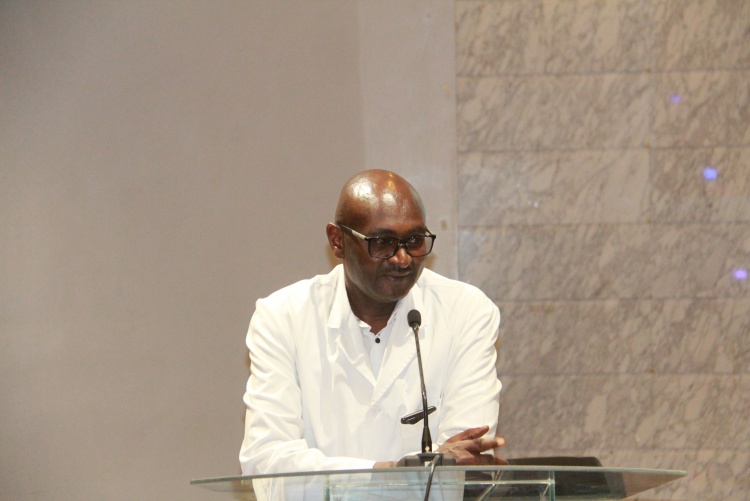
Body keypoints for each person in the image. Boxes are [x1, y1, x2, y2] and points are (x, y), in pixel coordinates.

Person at [239, 169, 505, 475]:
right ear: (337, 241)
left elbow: (465, 461)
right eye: (382, 242)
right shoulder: (282, 317)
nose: (402, 259)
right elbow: (266, 462)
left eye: (414, 240)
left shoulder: (466, 312)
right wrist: (394, 472)